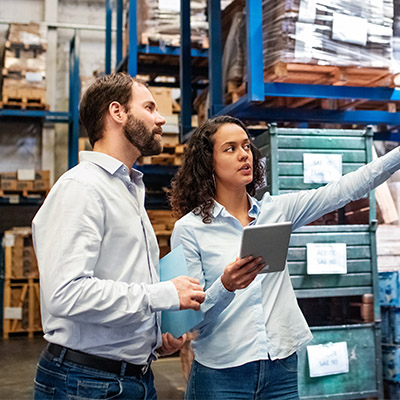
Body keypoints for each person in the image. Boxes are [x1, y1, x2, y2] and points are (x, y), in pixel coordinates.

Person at [169, 115, 400, 400]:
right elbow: (189, 321)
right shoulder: (189, 230)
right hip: (221, 375)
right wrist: (225, 286)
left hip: (281, 368)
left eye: (246, 146)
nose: (244, 155)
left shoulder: (276, 211)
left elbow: (344, 189)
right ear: (208, 163)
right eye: (230, 148)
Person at [32, 72, 205, 400]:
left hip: (131, 377)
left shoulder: (127, 188)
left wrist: (154, 336)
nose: (161, 118)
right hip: (86, 382)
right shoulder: (81, 189)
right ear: (117, 112)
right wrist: (162, 295)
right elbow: (66, 294)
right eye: (150, 107)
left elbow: (121, 278)